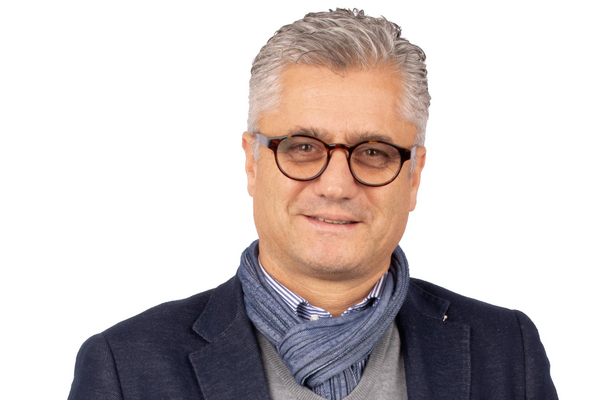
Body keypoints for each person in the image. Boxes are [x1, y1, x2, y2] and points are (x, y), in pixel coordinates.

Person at [68, 8, 558, 400]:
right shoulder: (126, 369)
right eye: (303, 147)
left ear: (414, 176)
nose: (336, 186)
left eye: (373, 152)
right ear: (252, 162)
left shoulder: (507, 352)